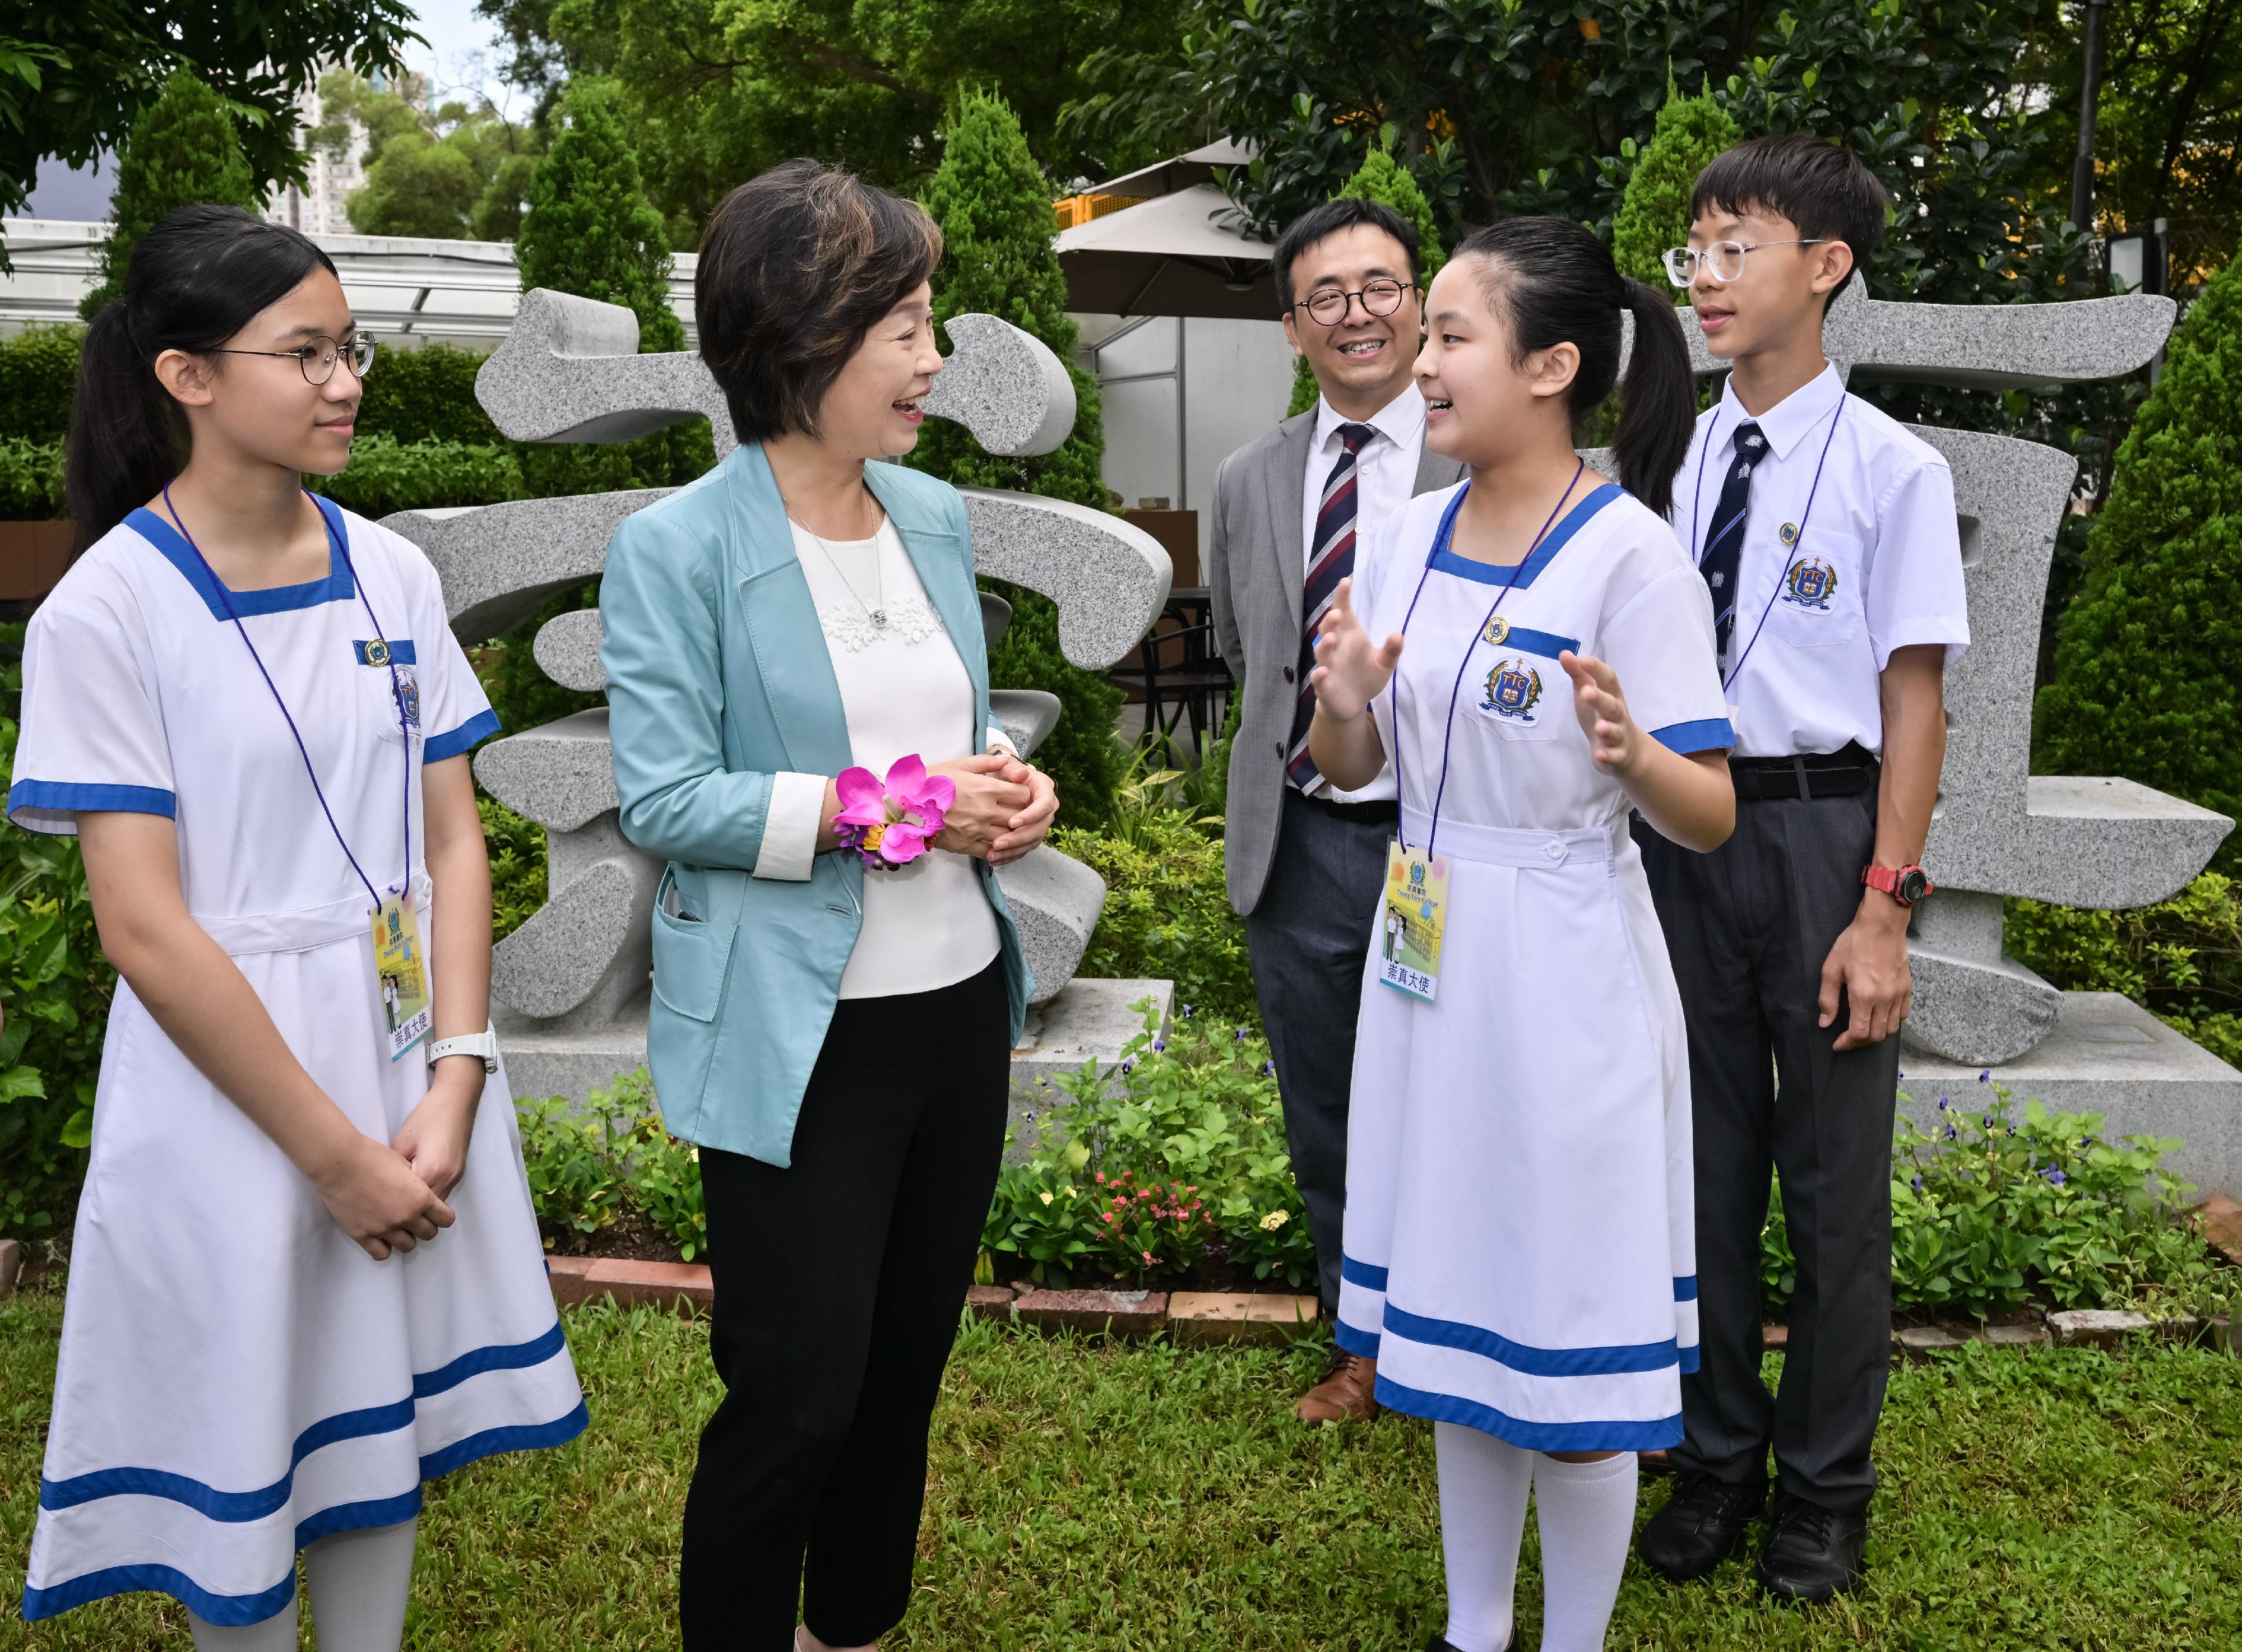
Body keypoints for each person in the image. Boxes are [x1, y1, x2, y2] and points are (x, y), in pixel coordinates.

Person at [12, 205, 584, 1649]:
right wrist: (334, 1157)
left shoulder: (392, 571)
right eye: (305, 352)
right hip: (235, 1090)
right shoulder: (107, 613)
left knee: (369, 1421)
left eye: (352, 350)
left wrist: (455, 1076)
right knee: (246, 1439)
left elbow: (451, 840)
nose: (342, 382)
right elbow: (145, 931)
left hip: (404, 1063)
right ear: (186, 377)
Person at [597, 160, 1058, 1652]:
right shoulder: (677, 548)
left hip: (951, 1017)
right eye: (907, 327)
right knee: (796, 1397)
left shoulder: (928, 512)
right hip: (802, 1042)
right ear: (802, 339)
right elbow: (668, 797)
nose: (936, 360)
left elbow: (946, 729)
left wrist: (1009, 792)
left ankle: (850, 1632)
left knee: (903, 1378)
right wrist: (910, 806)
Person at [1313, 217, 1731, 1652]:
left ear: (1550, 366)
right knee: (1454, 1314)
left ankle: (1573, 1639)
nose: (1418, 362)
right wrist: (1346, 698)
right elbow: (1356, 768)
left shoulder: (1631, 558)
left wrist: (1630, 756)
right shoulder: (1408, 531)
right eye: (1425, 334)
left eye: (1448, 335)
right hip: (1425, 958)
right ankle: (1473, 1627)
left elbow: (1709, 815)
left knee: (1564, 1316)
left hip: (1561, 967)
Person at [1629, 133, 1968, 1604]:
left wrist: (1883, 909)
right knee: (1699, 1176)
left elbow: (1914, 700)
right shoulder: (1676, 450)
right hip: (1683, 828)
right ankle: (1716, 1460)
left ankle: (1826, 1492)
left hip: (1827, 832)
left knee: (1833, 1188)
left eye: (1735, 248)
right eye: (1692, 252)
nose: (1704, 277)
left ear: (1824, 267)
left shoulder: (1894, 465)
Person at [1206, 197, 1466, 1424]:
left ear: (1419, 306)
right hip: (1299, 842)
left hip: (1441, 849)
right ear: (1290, 328)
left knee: (1458, 1094)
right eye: (1327, 296)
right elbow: (1240, 647)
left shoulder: (1484, 454)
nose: (1355, 312)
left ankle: (1466, 1335)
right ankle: (1360, 1347)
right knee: (1327, 1107)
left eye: (1379, 287)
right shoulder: (1246, 478)